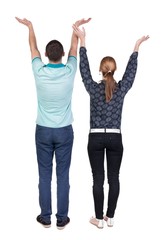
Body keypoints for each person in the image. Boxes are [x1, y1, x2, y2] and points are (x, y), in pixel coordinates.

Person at [15, 17, 91, 230]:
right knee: (63, 176)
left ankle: (46, 218)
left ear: (46, 55)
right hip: (65, 131)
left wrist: (30, 26)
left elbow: (33, 47)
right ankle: (62, 219)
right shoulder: (70, 71)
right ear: (63, 56)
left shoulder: (39, 70)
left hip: (43, 131)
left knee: (44, 175)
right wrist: (75, 30)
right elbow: (74, 47)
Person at [72, 23, 149, 228]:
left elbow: (84, 70)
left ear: (101, 70)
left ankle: (98, 219)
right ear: (114, 70)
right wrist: (136, 48)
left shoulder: (93, 88)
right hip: (116, 138)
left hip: (95, 138)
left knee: (98, 178)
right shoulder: (121, 89)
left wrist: (83, 42)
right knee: (114, 178)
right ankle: (110, 217)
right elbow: (131, 74)